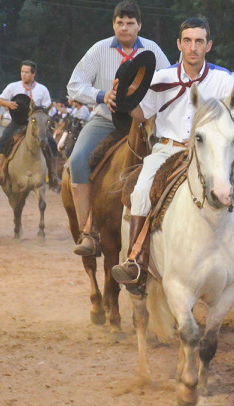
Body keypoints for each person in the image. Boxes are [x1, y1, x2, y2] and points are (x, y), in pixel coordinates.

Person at [110, 17, 234, 298]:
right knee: (140, 193)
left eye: (199, 41)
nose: (193, 47)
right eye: (187, 41)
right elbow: (143, 113)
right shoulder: (161, 78)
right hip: (168, 150)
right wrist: (123, 101)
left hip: (212, 154)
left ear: (208, 45)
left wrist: (215, 132)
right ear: (179, 44)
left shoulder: (222, 78)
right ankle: (136, 263)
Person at [66, 0, 170, 255]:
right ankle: (87, 231)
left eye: (130, 23)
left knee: (176, 158)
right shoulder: (99, 50)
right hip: (106, 119)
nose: (125, 28)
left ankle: (173, 226)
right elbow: (74, 85)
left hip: (146, 121)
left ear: (139, 25)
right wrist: (102, 95)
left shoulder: (153, 50)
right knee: (77, 161)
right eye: (120, 23)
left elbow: (169, 83)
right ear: (113, 24)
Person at [0, 59, 53, 185]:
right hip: (17, 122)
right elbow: (0, 100)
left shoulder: (42, 90)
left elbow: (48, 109)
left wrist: (43, 119)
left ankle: (53, 175)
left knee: (52, 144)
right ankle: (1, 173)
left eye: (27, 72)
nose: (23, 74)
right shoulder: (13, 86)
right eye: (22, 72)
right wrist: (7, 103)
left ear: (33, 74)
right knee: (2, 142)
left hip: (36, 124)